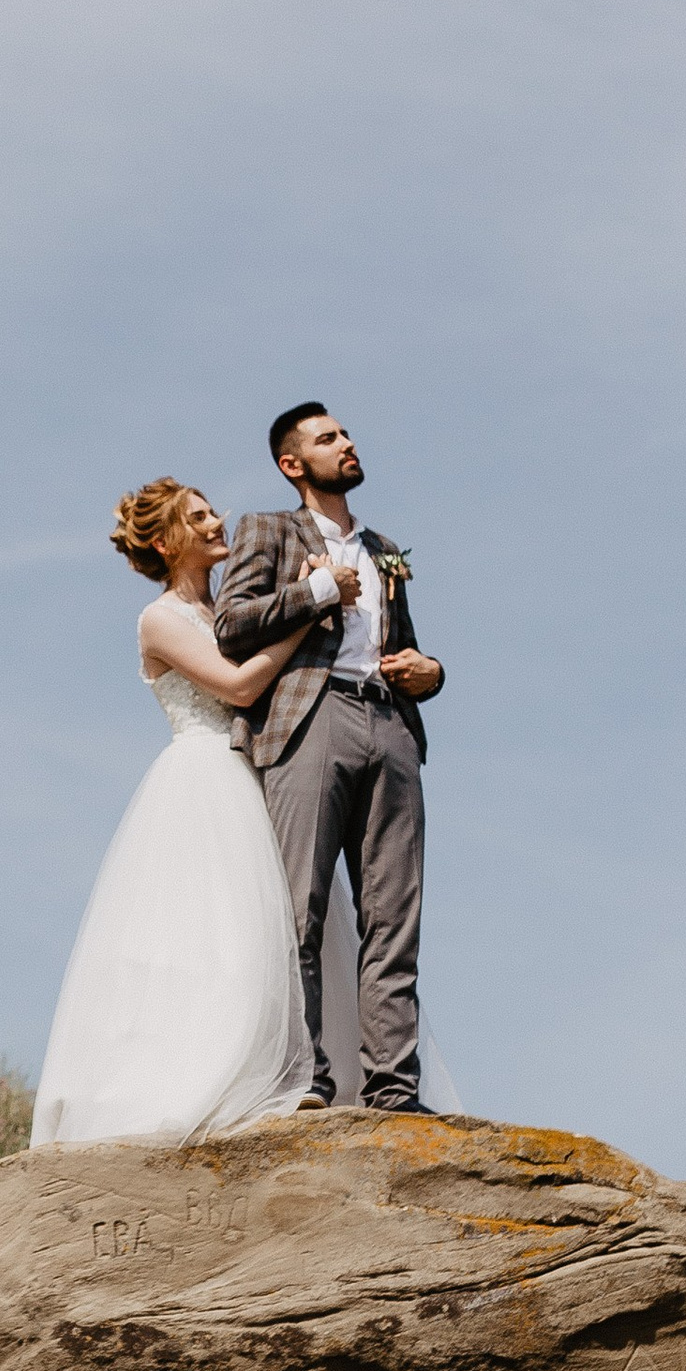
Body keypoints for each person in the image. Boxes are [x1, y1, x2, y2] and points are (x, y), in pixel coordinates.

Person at [30, 478, 313, 1148]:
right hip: (206, 779)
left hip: (258, 777)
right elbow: (241, 687)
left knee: (274, 933)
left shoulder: (233, 610)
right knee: (211, 938)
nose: (219, 520)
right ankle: (205, 1084)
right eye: (199, 516)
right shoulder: (160, 619)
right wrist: (310, 609)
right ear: (164, 542)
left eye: (213, 510)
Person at [213, 403, 444, 1115]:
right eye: (327, 439)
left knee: (393, 919)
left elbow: (403, 644)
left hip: (390, 724)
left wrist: (429, 672)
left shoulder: (385, 548)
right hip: (312, 719)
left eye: (344, 434)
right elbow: (230, 625)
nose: (346, 444)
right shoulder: (267, 530)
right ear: (293, 464)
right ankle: (303, 1081)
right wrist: (317, 590)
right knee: (299, 911)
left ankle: (394, 1093)